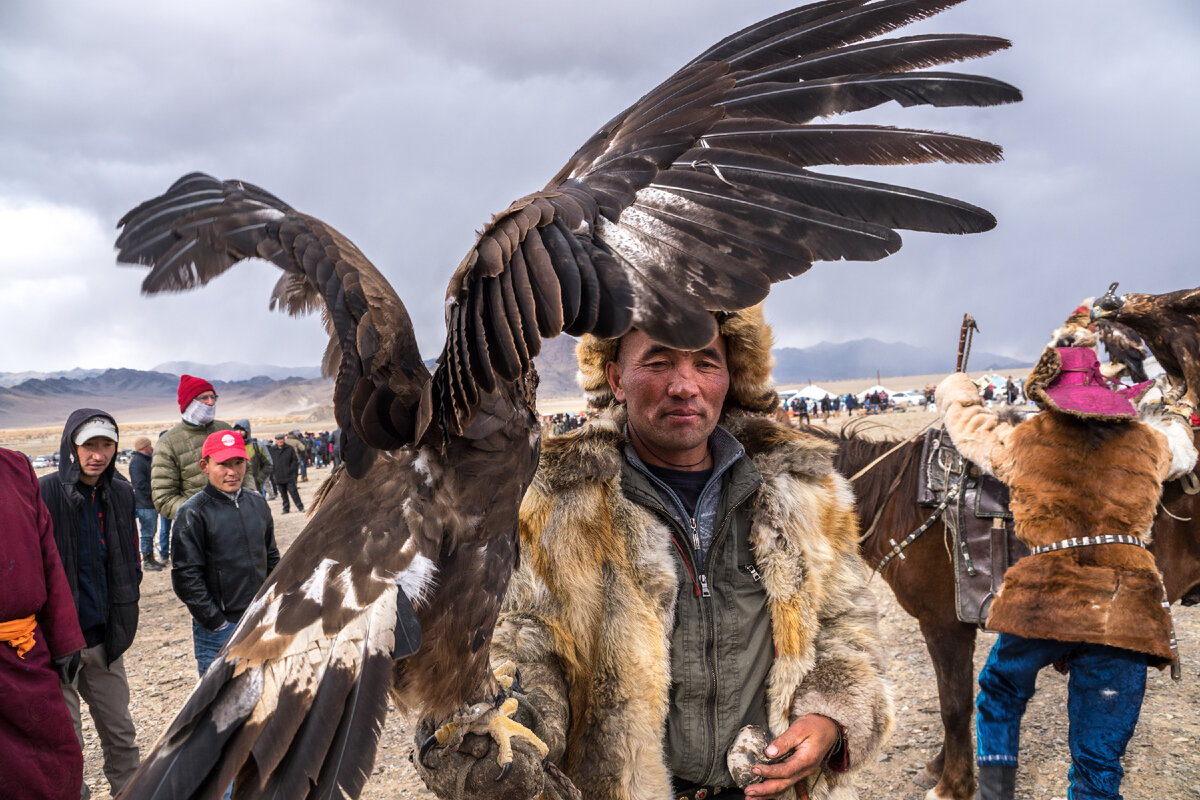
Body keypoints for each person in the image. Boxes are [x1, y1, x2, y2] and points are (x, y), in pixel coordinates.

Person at [415, 306, 891, 800]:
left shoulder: (805, 494)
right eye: (659, 363)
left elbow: (846, 626)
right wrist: (507, 725)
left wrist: (831, 715)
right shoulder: (553, 502)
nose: (685, 386)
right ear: (616, 378)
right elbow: (523, 643)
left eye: (706, 364)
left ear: (731, 376)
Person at [935, 346, 1197, 800]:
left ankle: (995, 794)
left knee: (999, 693)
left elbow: (969, 430)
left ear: (1050, 394)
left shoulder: (1024, 440)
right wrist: (1177, 414)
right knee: (1099, 754)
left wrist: (957, 390)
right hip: (1127, 607)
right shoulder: (1148, 442)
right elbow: (1183, 449)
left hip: (1045, 599)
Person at [39, 410, 142, 799]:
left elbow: (129, 556)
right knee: (68, 747)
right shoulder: (44, 492)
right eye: (89, 445)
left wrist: (129, 591)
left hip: (104, 640)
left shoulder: (122, 492)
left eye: (106, 444)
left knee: (122, 735)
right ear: (72, 447)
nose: (98, 454)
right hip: (57, 645)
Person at [0, 447, 87, 800]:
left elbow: (47, 554)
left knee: (55, 763)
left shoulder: (15, 466)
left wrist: (65, 639)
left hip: (25, 652)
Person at [171, 431, 279, 676]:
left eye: (238, 463)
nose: (233, 472)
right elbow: (186, 576)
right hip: (220, 627)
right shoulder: (193, 513)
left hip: (260, 618)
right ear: (205, 466)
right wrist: (215, 621)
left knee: (263, 690)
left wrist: (272, 602)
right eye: (223, 464)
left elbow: (271, 556)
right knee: (218, 702)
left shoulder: (257, 503)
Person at [151, 375, 238, 523]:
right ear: (188, 402)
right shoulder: (168, 443)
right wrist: (198, 512)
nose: (211, 403)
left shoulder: (225, 430)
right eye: (204, 398)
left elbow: (246, 468)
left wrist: (251, 494)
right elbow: (164, 498)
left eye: (213, 397)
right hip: (201, 528)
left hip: (238, 516)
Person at [128, 436, 163, 571]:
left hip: (149, 503)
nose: (152, 447)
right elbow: (140, 484)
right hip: (145, 504)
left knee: (150, 531)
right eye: (150, 445)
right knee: (147, 532)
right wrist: (154, 493)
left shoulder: (144, 460)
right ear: (145, 447)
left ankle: (150, 559)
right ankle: (147, 561)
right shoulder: (137, 462)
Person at [232, 419, 273, 498]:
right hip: (235, 486)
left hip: (255, 487)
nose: (239, 432)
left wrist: (259, 479)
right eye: (236, 430)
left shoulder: (257, 446)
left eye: (242, 430)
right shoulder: (232, 446)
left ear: (247, 430)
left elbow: (269, 464)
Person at [267, 433, 303, 514]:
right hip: (278, 476)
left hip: (289, 476)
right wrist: (273, 474)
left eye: (281, 439)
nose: (280, 441)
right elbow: (270, 463)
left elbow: (294, 462)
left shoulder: (289, 449)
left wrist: (293, 473)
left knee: (294, 492)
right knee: (283, 495)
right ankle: (286, 509)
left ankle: (300, 507)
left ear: (284, 439)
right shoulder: (272, 450)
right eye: (278, 440)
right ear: (276, 441)